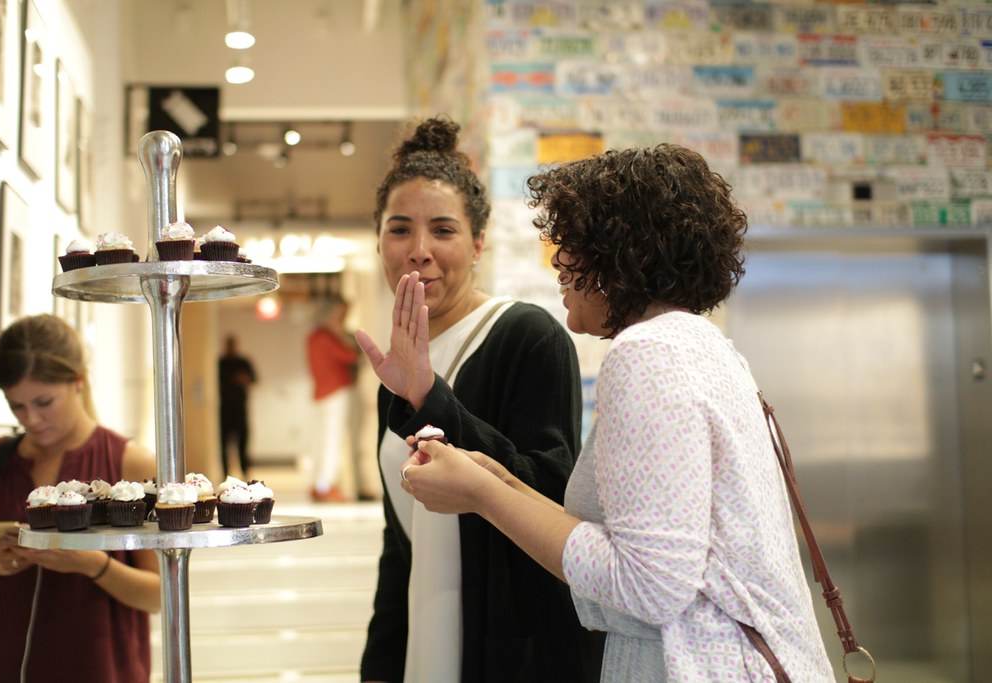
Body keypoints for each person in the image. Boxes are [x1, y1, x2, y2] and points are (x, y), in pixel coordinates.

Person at [393, 145, 834, 681]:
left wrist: (483, 498)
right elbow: (646, 543)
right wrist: (500, 479)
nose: (558, 264)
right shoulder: (705, 346)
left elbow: (647, 585)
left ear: (620, 255)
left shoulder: (647, 354)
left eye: (572, 245)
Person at [353, 116, 603, 683]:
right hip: (425, 632)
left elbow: (550, 492)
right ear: (378, 243)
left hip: (516, 647)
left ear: (478, 242)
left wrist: (430, 398)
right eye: (399, 230)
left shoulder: (527, 336)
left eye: (443, 230)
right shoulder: (392, 373)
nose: (419, 251)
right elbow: (401, 546)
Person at [0, 314, 160, 683]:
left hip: (100, 667)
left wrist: (92, 564)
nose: (32, 420)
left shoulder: (129, 461)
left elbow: (157, 597)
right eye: (17, 406)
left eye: (43, 402)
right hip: (0, 664)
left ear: (78, 381)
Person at [305, 295, 360, 502]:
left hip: (322, 393)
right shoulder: (327, 337)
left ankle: (319, 483)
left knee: (322, 439)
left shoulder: (314, 336)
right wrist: (339, 332)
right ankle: (325, 485)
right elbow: (353, 355)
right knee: (331, 440)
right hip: (334, 392)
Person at [218, 334, 257, 478]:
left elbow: (253, 379)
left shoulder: (243, 362)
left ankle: (245, 474)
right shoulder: (220, 363)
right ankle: (225, 475)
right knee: (223, 447)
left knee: (243, 445)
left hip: (240, 410)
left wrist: (243, 379)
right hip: (224, 411)